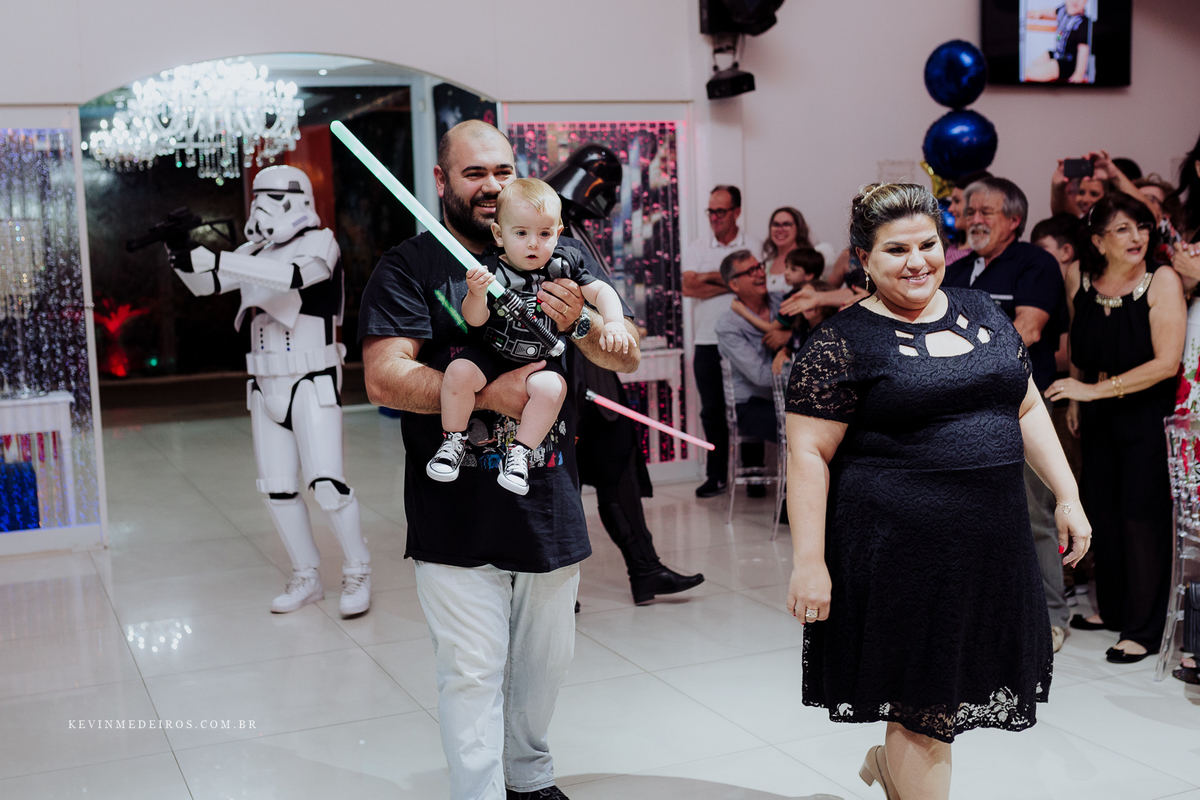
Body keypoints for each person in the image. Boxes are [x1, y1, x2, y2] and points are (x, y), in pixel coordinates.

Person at [358, 119, 640, 800]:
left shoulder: (558, 249)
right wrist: (489, 396)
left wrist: (581, 322)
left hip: (548, 495)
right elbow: (384, 377)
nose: (491, 187)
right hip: (452, 506)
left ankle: (530, 778)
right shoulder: (409, 266)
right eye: (474, 173)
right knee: (472, 670)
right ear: (441, 181)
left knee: (545, 665)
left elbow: (622, 353)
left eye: (503, 171)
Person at [786, 182, 1091, 800]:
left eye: (927, 245)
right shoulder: (839, 343)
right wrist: (809, 563)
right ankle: (897, 764)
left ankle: (889, 766)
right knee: (923, 707)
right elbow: (809, 454)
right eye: (896, 249)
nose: (917, 261)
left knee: (950, 695)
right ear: (863, 258)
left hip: (990, 545)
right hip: (897, 552)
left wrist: (1067, 494)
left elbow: (1027, 405)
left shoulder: (982, 311)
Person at [168, 165, 372, 618]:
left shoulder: (321, 242)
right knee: (277, 489)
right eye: (258, 198)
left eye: (272, 198)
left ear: (297, 199)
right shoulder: (252, 252)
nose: (262, 208)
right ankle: (306, 574)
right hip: (264, 385)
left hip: (312, 379)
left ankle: (358, 568)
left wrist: (220, 259)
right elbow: (207, 284)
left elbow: (295, 277)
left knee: (328, 485)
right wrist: (180, 253)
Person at [1045, 191, 1186, 664]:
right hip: (1096, 410)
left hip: (1145, 410)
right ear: (1098, 239)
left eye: (1142, 226)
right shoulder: (1079, 277)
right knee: (1102, 510)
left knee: (1141, 517)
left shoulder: (1161, 279)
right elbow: (1080, 348)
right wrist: (1079, 397)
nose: (1137, 236)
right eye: (1123, 228)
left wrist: (1090, 392)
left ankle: (1143, 629)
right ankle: (1113, 609)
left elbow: (1166, 364)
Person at [427, 178, 632, 495]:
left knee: (552, 389)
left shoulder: (565, 263)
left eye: (544, 234)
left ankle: (520, 453)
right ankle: (453, 440)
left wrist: (614, 323)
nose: (533, 244)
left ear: (558, 233)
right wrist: (476, 294)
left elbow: (602, 291)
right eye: (521, 233)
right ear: (499, 234)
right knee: (458, 372)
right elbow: (474, 319)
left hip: (540, 359)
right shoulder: (490, 269)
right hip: (493, 352)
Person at [944, 177, 1072, 651]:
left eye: (987, 212)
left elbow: (1028, 330)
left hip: (1020, 409)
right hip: (959, 412)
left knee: (1033, 514)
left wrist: (958, 363)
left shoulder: (1035, 263)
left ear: (1014, 220)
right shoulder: (958, 269)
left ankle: (1051, 618)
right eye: (970, 211)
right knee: (968, 514)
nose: (974, 219)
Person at [683, 186, 762, 498]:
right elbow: (689, 286)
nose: (714, 217)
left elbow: (753, 287)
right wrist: (731, 281)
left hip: (746, 339)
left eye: (721, 211)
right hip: (706, 341)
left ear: (736, 212)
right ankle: (716, 475)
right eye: (711, 211)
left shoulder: (752, 245)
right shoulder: (697, 246)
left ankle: (754, 475)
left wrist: (707, 276)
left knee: (751, 403)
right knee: (712, 411)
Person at [715, 250, 781, 452]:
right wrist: (806, 374)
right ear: (734, 285)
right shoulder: (728, 325)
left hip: (788, 398)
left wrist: (788, 337)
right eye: (751, 271)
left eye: (759, 267)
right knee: (803, 424)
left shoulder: (782, 302)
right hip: (751, 405)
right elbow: (760, 377)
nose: (760, 274)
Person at [730, 246, 826, 375]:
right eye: (786, 267)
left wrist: (743, 311)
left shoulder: (796, 298)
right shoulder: (819, 291)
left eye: (793, 269)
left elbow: (771, 328)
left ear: (809, 275)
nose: (786, 273)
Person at [762, 206, 838, 293]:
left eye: (786, 224)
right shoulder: (766, 264)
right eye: (776, 225)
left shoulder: (809, 259)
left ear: (798, 228)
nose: (780, 229)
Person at [1025, 0, 1092, 84]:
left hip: (1070, 63)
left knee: (1048, 68)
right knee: (1042, 58)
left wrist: (1079, 73)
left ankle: (1030, 74)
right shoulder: (1063, 10)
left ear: (1086, 1)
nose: (1075, 1)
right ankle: (1029, 71)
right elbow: (1053, 12)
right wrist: (1040, 12)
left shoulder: (1083, 22)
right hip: (1058, 55)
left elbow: (1083, 49)